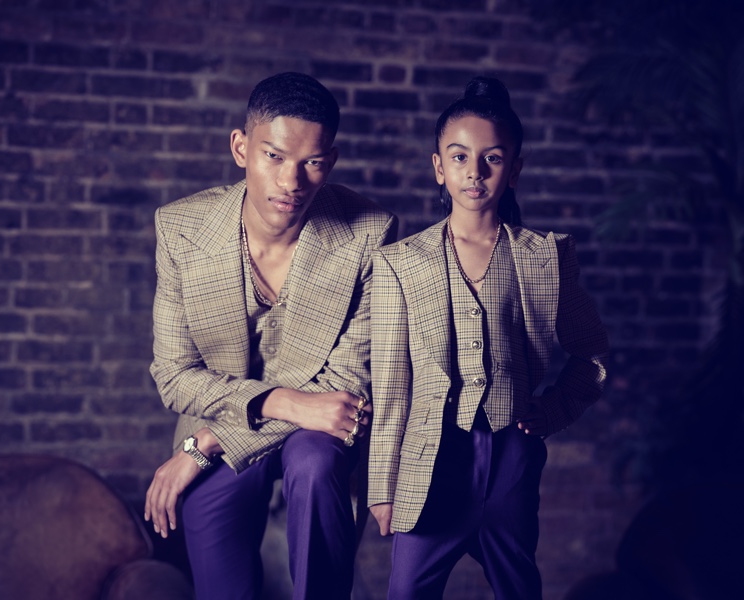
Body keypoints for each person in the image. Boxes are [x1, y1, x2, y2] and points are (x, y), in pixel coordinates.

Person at [143, 72, 397, 600]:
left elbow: (348, 381)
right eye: (274, 156)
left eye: (313, 162)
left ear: (332, 160)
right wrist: (282, 402)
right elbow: (174, 375)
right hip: (231, 416)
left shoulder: (369, 233)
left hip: (311, 433)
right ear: (241, 148)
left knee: (315, 461)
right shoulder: (181, 231)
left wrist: (206, 443)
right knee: (218, 573)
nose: (292, 181)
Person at [367, 76, 609, 599]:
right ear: (438, 167)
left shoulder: (544, 258)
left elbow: (591, 352)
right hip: (429, 461)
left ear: (514, 169)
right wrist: (382, 488)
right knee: (407, 590)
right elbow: (390, 386)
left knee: (517, 587)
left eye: (492, 158)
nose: (474, 172)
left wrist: (555, 409)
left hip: (512, 457)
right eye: (459, 157)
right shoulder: (399, 264)